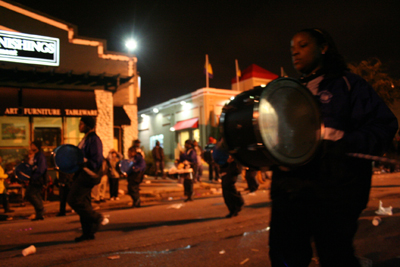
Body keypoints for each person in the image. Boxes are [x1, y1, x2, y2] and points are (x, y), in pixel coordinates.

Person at [268, 28, 398, 267]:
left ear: (324, 47)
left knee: (335, 255)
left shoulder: (349, 84)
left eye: (303, 45)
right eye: (291, 47)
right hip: (290, 190)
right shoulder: (287, 93)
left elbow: (383, 124)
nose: (295, 51)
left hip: (335, 188)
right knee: (285, 255)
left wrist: (344, 145)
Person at [67, 116, 105, 242]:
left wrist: (83, 162)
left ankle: (96, 218)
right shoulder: (86, 139)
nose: (79, 126)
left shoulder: (94, 140)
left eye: (82, 124)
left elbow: (97, 159)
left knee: (74, 199)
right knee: (85, 202)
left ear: (88, 125)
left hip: (87, 175)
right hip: (81, 174)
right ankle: (88, 232)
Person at [213, 139, 244, 218]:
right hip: (226, 167)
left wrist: (232, 158)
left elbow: (239, 154)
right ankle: (233, 209)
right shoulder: (223, 144)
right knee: (226, 189)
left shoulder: (235, 143)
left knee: (229, 185)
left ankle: (238, 204)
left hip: (233, 168)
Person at [25, 140, 47, 221]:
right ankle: (39, 214)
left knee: (30, 194)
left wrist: (34, 177)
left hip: (38, 179)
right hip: (34, 179)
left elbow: (41, 168)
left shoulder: (40, 156)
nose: (31, 146)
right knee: (36, 195)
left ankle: (40, 209)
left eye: (33, 145)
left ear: (37, 146)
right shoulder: (36, 155)